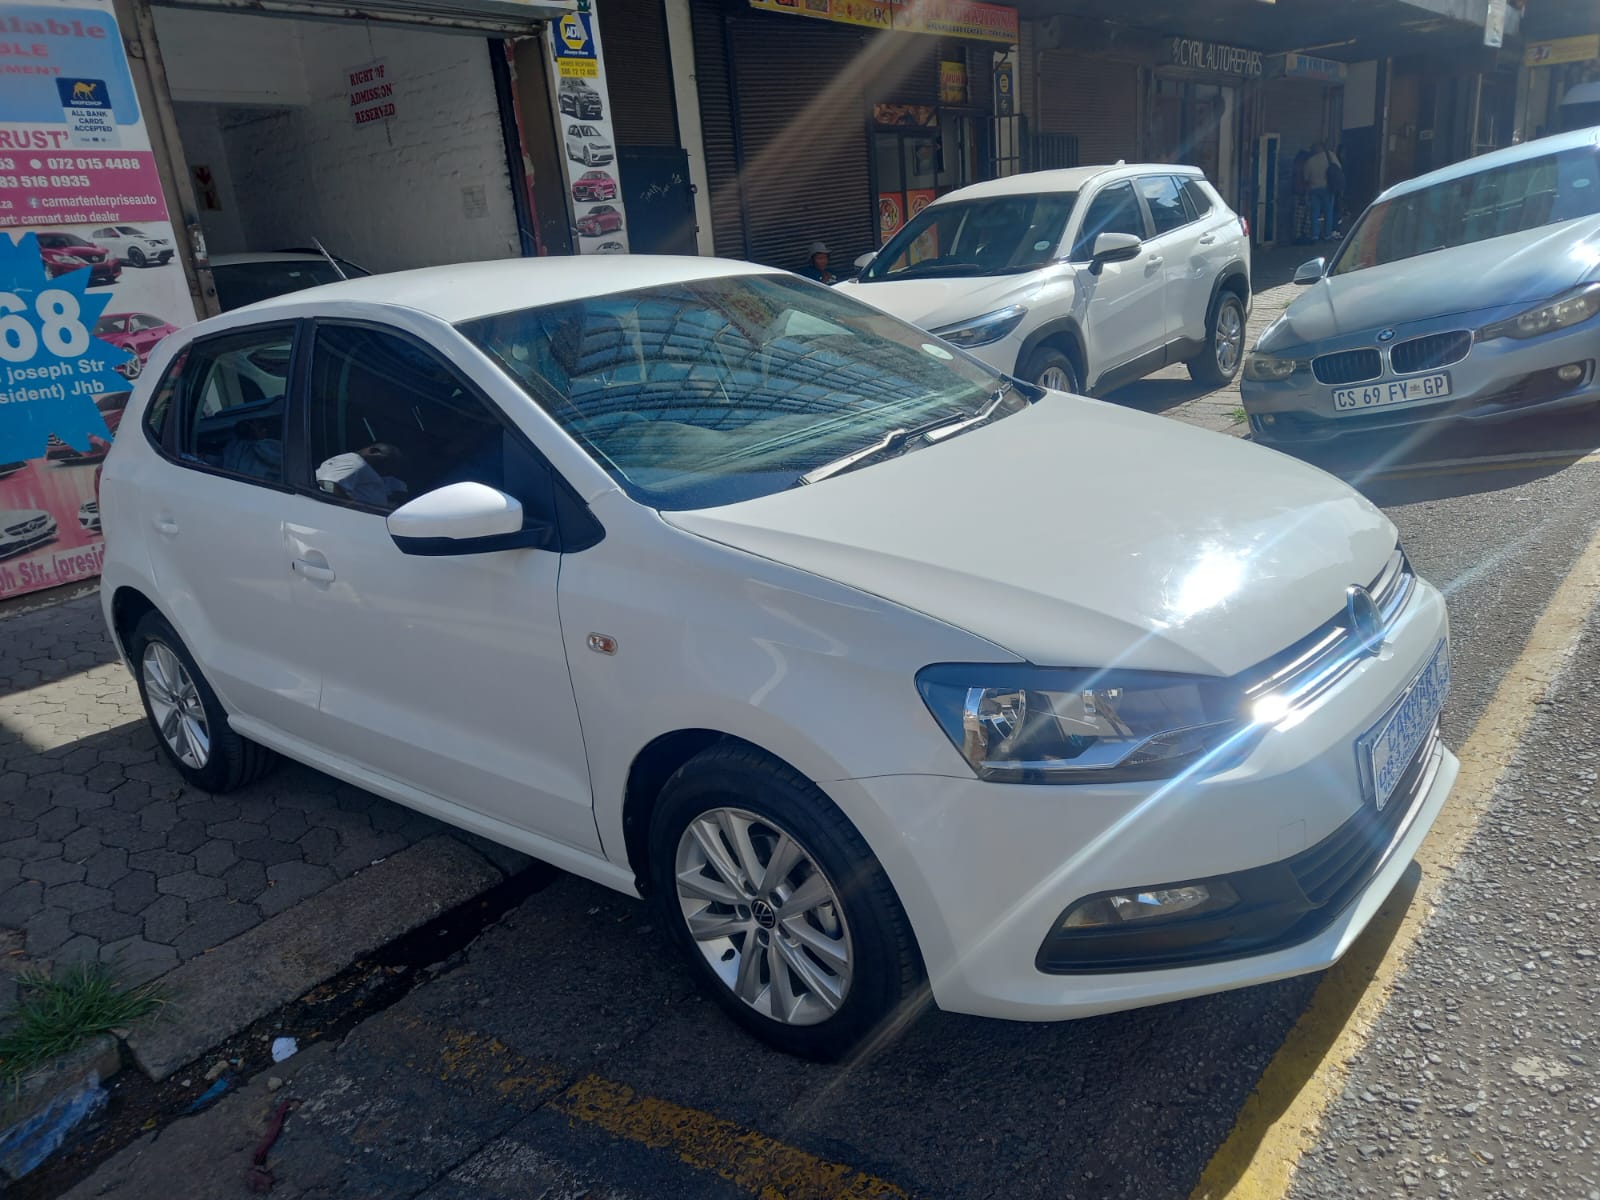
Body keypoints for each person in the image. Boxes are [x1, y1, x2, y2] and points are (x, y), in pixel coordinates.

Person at [316, 443, 408, 508]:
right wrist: (351, 505)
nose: (391, 468)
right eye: (390, 461)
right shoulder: (355, 461)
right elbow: (326, 483)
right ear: (374, 451)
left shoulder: (365, 468)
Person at [1304, 142, 1334, 242]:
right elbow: (1338, 168)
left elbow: (1306, 177)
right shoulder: (1329, 155)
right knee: (1328, 212)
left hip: (1314, 189)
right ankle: (1327, 235)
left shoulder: (1309, 161)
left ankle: (1314, 235)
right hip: (1327, 188)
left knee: (1314, 213)